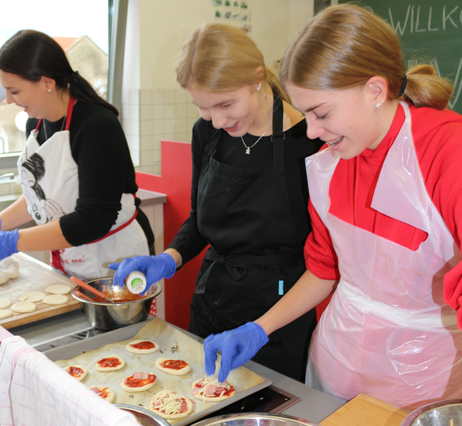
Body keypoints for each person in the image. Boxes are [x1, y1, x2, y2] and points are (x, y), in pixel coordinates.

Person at [202, 4, 462, 411]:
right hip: (335, 364)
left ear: (375, 91)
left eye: (321, 113)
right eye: (305, 113)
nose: (311, 131)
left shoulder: (448, 152)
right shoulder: (330, 163)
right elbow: (324, 269)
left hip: (423, 383)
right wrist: (259, 327)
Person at [109, 23, 323, 381]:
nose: (218, 120)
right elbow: (200, 219)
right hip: (213, 299)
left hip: (279, 312)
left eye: (226, 104)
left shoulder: (310, 141)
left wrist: (260, 328)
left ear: (257, 77)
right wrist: (169, 258)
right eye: (204, 108)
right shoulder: (206, 133)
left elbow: (325, 258)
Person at [0, 30, 154, 279]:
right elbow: (39, 197)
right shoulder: (35, 125)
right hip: (73, 256)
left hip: (115, 257)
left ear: (47, 82)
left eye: (14, 91)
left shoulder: (96, 126)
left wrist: (13, 241)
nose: (8, 100)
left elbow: (93, 219)